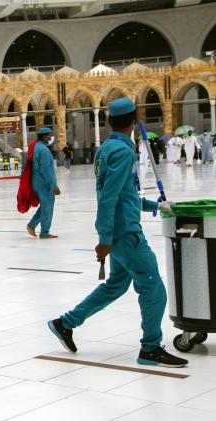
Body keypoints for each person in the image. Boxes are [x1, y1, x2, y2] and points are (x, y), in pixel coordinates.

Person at [48, 97, 186, 368]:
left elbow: (124, 194)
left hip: (120, 230)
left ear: (109, 121)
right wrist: (104, 239)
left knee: (116, 285)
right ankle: (150, 348)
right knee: (153, 287)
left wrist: (152, 205)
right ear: (135, 121)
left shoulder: (106, 149)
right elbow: (108, 197)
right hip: (125, 233)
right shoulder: (123, 152)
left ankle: (65, 323)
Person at [25, 127, 60, 239]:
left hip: (37, 181)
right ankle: (44, 232)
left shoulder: (36, 147)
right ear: (45, 137)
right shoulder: (44, 150)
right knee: (48, 207)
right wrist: (53, 185)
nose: (51, 137)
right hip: (44, 183)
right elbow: (46, 170)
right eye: (49, 135)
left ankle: (32, 225)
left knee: (45, 206)